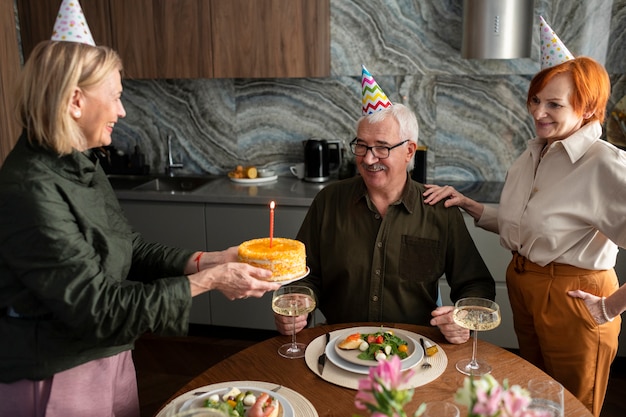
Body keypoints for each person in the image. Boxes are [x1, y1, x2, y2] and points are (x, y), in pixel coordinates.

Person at [0, 40, 280, 417]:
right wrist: (211, 280)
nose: (123, 110)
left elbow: (125, 245)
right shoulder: (29, 189)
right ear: (75, 101)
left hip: (112, 352)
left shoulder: (81, 161)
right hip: (56, 372)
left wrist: (209, 260)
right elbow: (95, 308)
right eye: (114, 96)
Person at [423, 56, 625, 416]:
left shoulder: (603, 163)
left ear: (589, 107)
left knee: (571, 407)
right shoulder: (536, 152)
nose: (538, 112)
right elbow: (531, 227)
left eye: (553, 104)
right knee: (538, 398)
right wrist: (470, 205)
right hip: (526, 290)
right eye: (535, 99)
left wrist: (610, 306)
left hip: (573, 297)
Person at [274, 102, 495, 344]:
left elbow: (476, 284)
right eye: (361, 145)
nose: (369, 159)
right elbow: (301, 274)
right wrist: (297, 301)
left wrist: (461, 319)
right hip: (338, 344)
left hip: (415, 349)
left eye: (382, 148)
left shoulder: (439, 211)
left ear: (409, 151)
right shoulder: (329, 201)